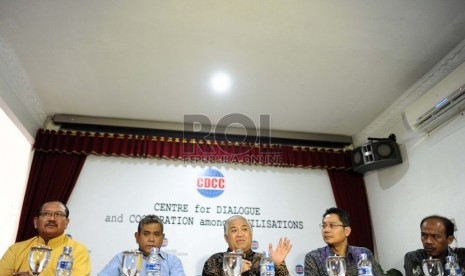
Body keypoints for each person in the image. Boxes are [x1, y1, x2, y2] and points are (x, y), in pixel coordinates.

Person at [0, 200, 91, 275]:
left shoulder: (78, 250)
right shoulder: (16, 249)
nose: (52, 219)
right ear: (36, 222)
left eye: (59, 214)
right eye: (46, 214)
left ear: (67, 223)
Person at [202, 215, 293, 276]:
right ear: (226, 238)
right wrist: (233, 271)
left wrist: (278, 265)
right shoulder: (216, 260)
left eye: (244, 229)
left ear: (251, 235)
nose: (240, 234)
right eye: (234, 230)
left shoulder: (264, 260)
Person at [304, 207, 383, 276]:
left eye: (332, 225)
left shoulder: (363, 253)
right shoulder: (314, 257)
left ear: (347, 231)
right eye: (324, 226)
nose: (326, 230)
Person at [98, 214, 185, 275]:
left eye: (156, 234)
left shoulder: (172, 262)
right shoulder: (122, 258)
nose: (151, 239)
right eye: (146, 234)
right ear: (137, 237)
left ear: (162, 238)